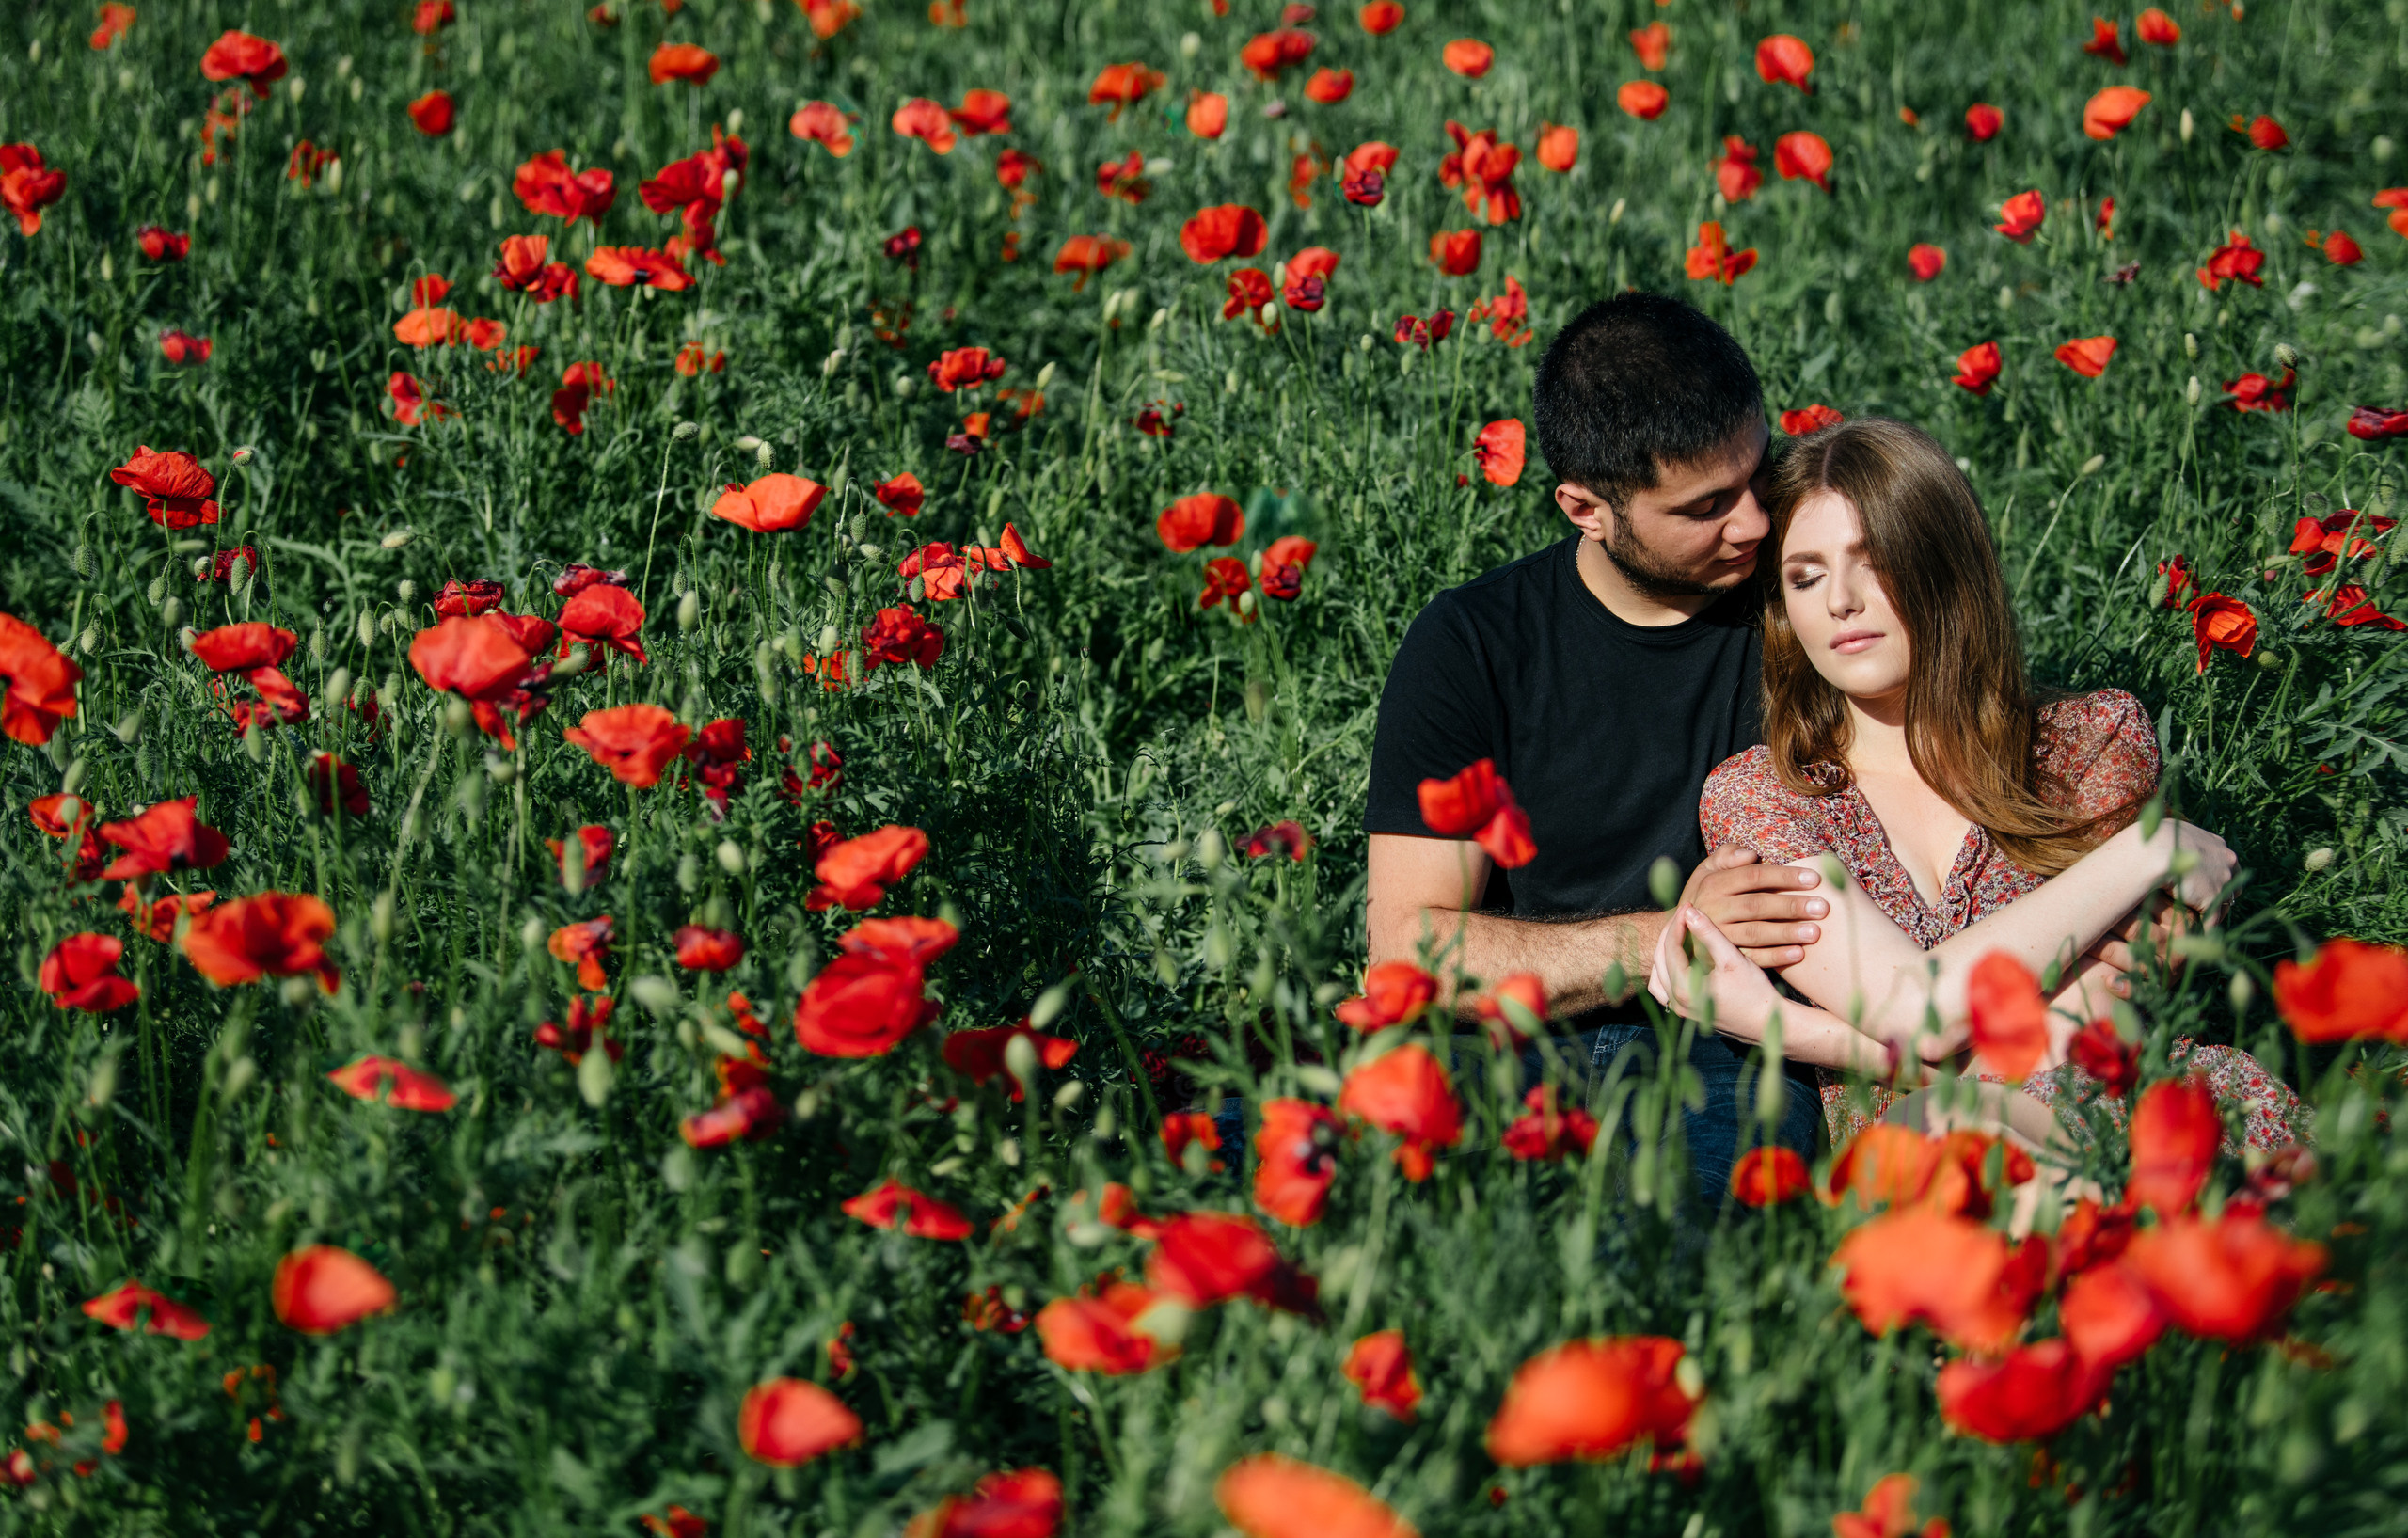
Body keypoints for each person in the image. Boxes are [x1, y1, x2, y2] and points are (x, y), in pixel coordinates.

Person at [1649, 417, 2306, 1154]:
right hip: (1931, 1156)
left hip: (2150, 1118)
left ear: (1946, 566)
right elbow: (1918, 1013)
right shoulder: (1762, 798)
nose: (1840, 600)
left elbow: (2086, 1027)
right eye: (1805, 575)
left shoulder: (2092, 742)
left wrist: (1803, 1033)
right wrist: (2146, 854)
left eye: (1875, 561)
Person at [1363, 293, 1833, 1199]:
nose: (1755, 524)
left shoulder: (1808, 604)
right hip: (1500, 1050)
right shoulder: (1473, 645)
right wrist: (1668, 938)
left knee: (1674, 1266)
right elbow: (1408, 951)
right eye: (1705, 505)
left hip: (1725, 1053)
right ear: (1586, 507)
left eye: (1757, 473)